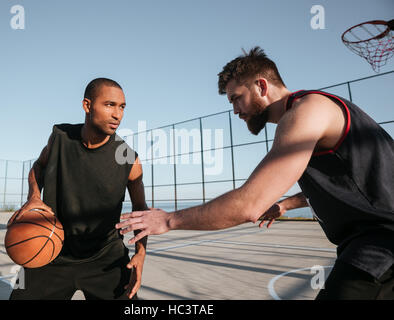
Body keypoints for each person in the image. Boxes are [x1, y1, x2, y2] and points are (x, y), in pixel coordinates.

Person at [116, 47, 394, 300]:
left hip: (381, 244)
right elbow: (342, 181)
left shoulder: (306, 112)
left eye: (237, 98)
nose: (236, 110)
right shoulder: (309, 114)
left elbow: (250, 204)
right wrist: (285, 204)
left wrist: (168, 220)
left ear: (261, 86)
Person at [8, 78, 148, 300]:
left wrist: (141, 254)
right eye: (109, 105)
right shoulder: (59, 138)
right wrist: (34, 197)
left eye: (122, 107)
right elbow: (38, 166)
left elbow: (142, 211)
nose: (118, 115)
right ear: (87, 105)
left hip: (105, 258)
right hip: (50, 250)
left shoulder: (129, 159)